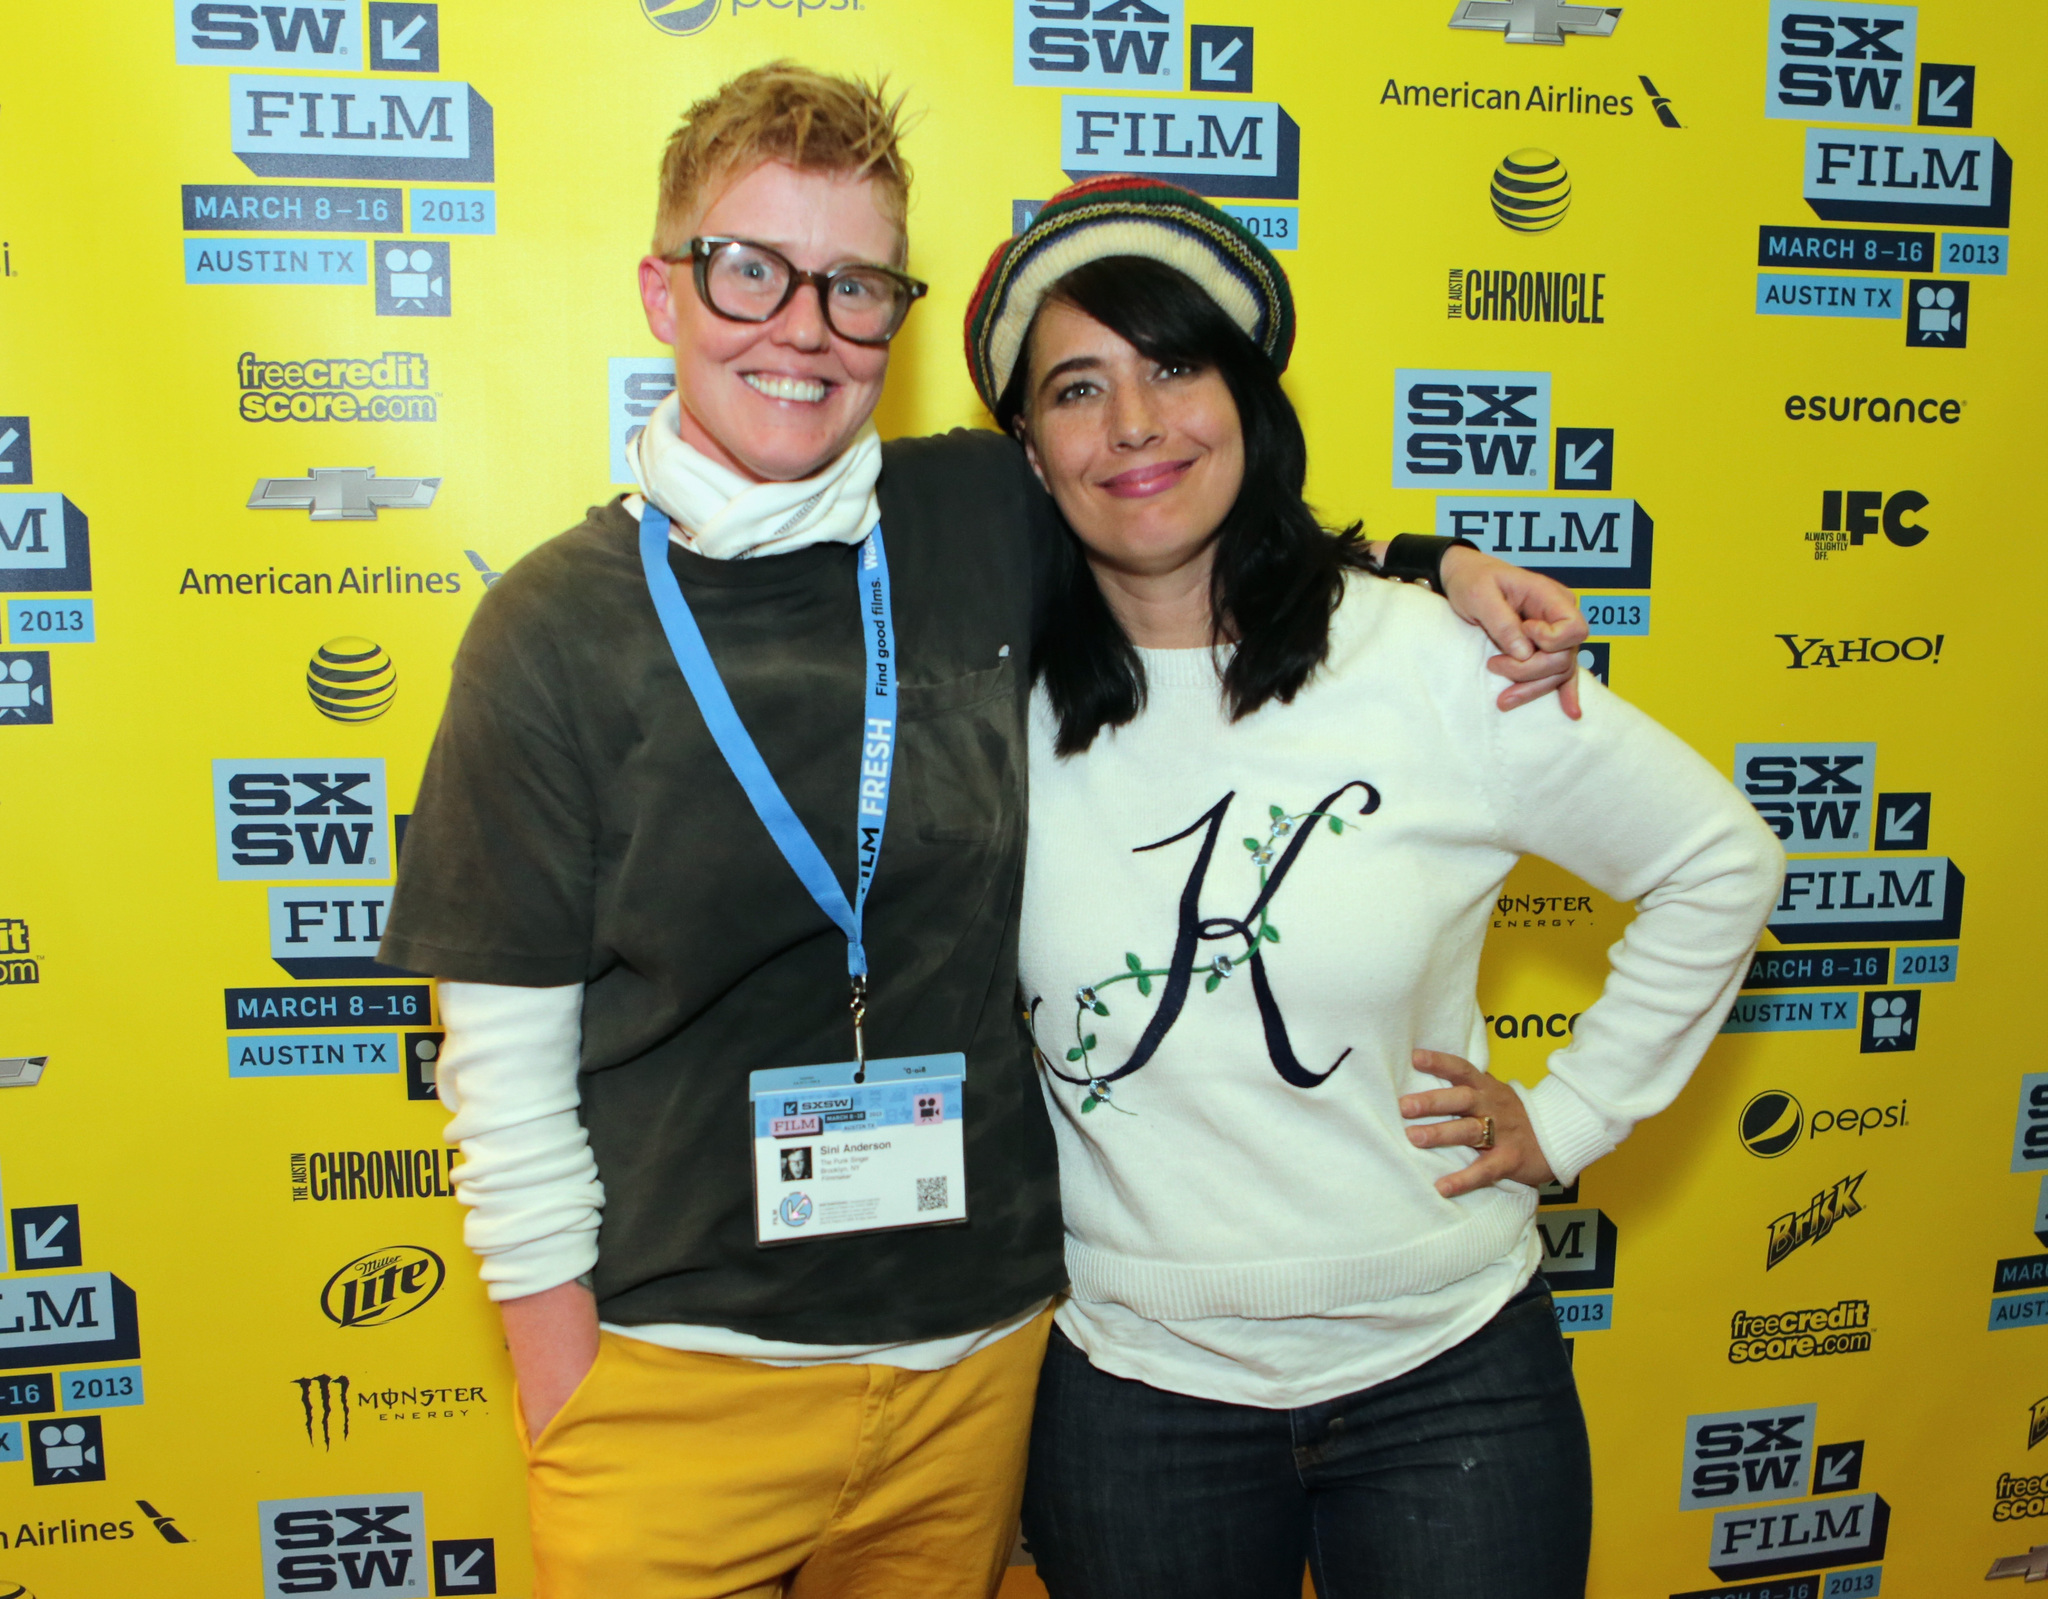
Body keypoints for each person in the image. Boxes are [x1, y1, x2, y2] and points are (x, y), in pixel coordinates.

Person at [380, 68, 1587, 1599]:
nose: (802, 326)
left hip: (982, 1367)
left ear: (894, 310)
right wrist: (574, 1410)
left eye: (855, 283)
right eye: (751, 270)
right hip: (682, 1381)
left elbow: (1189, 513)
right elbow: (498, 1070)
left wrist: (1437, 565)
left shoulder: (977, 513)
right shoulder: (552, 629)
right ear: (663, 292)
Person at [962, 177, 1785, 1599]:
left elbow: (1720, 858)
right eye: (1077, 389)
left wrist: (1576, 1114)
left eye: (1175, 365)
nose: (1137, 424)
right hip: (1137, 1397)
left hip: (1451, 1381)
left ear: (1248, 399)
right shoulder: (986, 705)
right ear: (1031, 454)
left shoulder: (1429, 660)